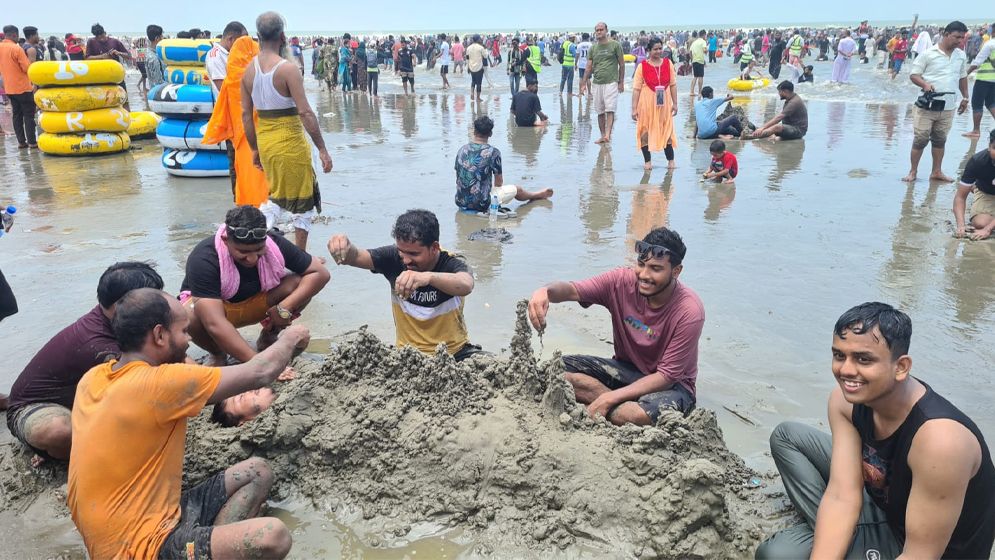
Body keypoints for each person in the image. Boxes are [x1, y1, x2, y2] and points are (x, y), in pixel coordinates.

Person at [68, 288, 309, 559]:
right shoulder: (160, 383)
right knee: (272, 536)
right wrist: (291, 336)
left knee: (257, 471)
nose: (189, 339)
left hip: (124, 525)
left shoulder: (93, 378)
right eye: (183, 331)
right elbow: (260, 371)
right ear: (159, 335)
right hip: (138, 548)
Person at [754, 302, 995, 559]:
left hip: (920, 546)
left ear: (901, 367)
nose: (846, 370)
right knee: (788, 436)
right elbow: (841, 496)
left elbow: (920, 555)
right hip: (887, 506)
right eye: (839, 355)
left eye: (863, 359)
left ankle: (850, 537)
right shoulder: (845, 402)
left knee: (779, 554)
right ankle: (847, 533)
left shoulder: (940, 442)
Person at [527, 227, 704, 426]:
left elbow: (667, 376)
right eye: (641, 264)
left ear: (676, 271)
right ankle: (614, 403)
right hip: (626, 370)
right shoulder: (620, 282)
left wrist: (608, 399)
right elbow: (572, 290)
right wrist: (545, 291)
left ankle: (609, 403)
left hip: (672, 386)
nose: (644, 275)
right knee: (555, 371)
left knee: (636, 416)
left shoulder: (689, 311)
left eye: (655, 268)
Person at [5, 262, 163, 465]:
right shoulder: (97, 344)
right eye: (152, 299)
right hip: (32, 407)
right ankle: (60, 454)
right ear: (121, 304)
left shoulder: (118, 317)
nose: (159, 304)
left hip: (80, 398)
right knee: (58, 430)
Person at [180, 205, 330, 368]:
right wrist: (260, 365)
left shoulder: (275, 243)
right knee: (187, 314)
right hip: (217, 313)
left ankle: (268, 336)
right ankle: (218, 353)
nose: (251, 259)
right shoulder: (204, 258)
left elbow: (320, 273)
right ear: (226, 241)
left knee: (300, 282)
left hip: (258, 304)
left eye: (259, 250)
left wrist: (285, 307)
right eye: (243, 252)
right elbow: (214, 322)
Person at [327, 210, 483, 361]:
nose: (406, 260)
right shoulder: (393, 258)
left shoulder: (451, 263)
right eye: (402, 252)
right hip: (407, 356)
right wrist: (344, 247)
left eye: (414, 254)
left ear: (434, 247)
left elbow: (466, 284)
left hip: (454, 354)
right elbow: (355, 256)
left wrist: (427, 277)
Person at [242, 12, 332, 251]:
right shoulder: (287, 70)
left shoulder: (248, 71)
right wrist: (322, 149)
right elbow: (305, 113)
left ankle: (250, 245)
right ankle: (298, 256)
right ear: (282, 36)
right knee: (302, 202)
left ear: (258, 37)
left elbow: (245, 116)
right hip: (290, 143)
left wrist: (254, 149)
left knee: (277, 196)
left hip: (266, 142)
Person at [205, 36, 270, 207]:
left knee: (242, 173)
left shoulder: (230, 83)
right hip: (261, 137)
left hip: (240, 138)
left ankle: (242, 208)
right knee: (262, 176)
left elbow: (223, 111)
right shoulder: (260, 79)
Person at [902, 21, 969, 184]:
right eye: (956, 37)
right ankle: (913, 171)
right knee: (921, 139)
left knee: (940, 139)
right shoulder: (928, 53)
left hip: (948, 106)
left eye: (962, 38)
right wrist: (925, 84)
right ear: (946, 34)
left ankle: (937, 171)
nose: (960, 41)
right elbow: (914, 74)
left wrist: (965, 97)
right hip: (927, 105)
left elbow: (962, 77)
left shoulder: (960, 55)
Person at [451, 116, 553, 213]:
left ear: (474, 131)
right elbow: (499, 183)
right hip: (481, 204)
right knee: (517, 189)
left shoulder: (462, 150)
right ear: (490, 133)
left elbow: (459, 175)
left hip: (461, 201)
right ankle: (536, 195)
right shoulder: (493, 152)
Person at [631, 38, 678, 171]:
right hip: (646, 104)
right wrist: (634, 109)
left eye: (660, 48)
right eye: (655, 49)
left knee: (666, 130)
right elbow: (636, 89)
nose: (658, 51)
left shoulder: (668, 64)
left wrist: (675, 104)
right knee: (645, 131)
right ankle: (647, 162)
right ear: (649, 51)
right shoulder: (642, 66)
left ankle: (671, 161)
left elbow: (673, 85)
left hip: (664, 103)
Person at [583, 22, 625, 144]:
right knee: (600, 111)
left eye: (601, 29)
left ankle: (607, 135)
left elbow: (621, 64)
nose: (599, 32)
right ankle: (602, 135)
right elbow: (588, 67)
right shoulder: (593, 48)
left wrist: (621, 82)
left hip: (611, 82)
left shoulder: (615, 45)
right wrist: (583, 83)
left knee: (610, 109)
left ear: (606, 30)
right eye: (597, 30)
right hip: (597, 82)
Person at [953, 129, 995, 240]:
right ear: (989, 147)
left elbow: (987, 229)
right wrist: (961, 226)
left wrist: (988, 230)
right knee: (980, 223)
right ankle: (975, 188)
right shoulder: (977, 161)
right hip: (987, 192)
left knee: (986, 226)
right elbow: (960, 197)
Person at [0, 26, 36, 148]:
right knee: (29, 115)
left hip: (9, 88)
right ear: (15, 35)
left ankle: (21, 142)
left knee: (16, 115)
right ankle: (32, 142)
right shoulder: (16, 48)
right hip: (23, 87)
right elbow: (27, 68)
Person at [85, 23, 132, 110]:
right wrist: (102, 56)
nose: (101, 39)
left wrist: (119, 53)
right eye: (98, 38)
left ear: (105, 32)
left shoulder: (115, 42)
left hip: (116, 75)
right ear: (95, 37)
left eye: (102, 36)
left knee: (124, 98)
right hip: (101, 76)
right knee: (105, 99)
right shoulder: (91, 42)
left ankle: (128, 116)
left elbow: (128, 55)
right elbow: (87, 58)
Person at [963, 27, 995, 139]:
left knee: (977, 104)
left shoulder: (989, 44)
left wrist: (965, 73)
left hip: (983, 78)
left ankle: (976, 131)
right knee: (991, 103)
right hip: (994, 80)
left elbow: (978, 61)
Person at [207, 21, 248, 95]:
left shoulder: (234, 53)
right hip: (228, 103)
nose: (243, 46)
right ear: (230, 39)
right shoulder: (215, 56)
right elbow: (224, 88)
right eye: (241, 42)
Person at [467, 35, 488, 102]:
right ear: (478, 39)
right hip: (479, 67)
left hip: (471, 67)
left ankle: (472, 93)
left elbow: (467, 58)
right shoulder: (481, 48)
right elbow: (486, 56)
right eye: (479, 39)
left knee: (473, 81)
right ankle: (478, 98)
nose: (480, 40)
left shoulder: (468, 48)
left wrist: (468, 67)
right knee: (479, 83)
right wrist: (485, 48)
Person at [689, 30, 707, 97]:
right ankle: (699, 92)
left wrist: (692, 59)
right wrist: (706, 51)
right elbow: (704, 50)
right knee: (700, 76)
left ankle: (691, 91)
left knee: (695, 76)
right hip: (700, 60)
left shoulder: (694, 42)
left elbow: (690, 52)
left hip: (694, 61)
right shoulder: (703, 42)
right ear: (704, 35)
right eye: (705, 35)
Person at [575, 32, 593, 98]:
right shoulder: (590, 45)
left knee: (581, 78)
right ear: (588, 38)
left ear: (582, 38)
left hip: (581, 64)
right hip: (588, 64)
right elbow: (593, 55)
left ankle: (580, 93)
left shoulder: (579, 45)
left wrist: (575, 64)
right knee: (588, 79)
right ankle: (590, 93)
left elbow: (577, 55)